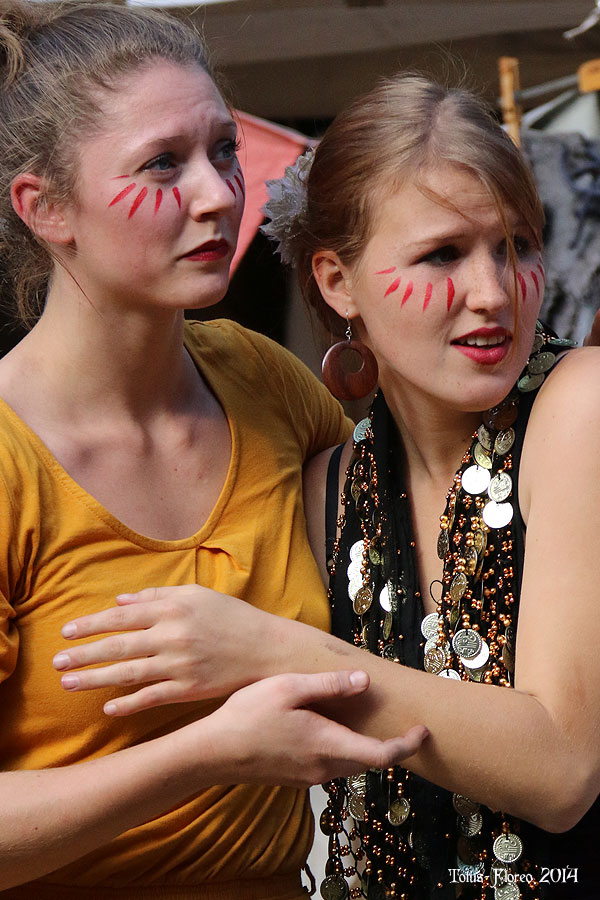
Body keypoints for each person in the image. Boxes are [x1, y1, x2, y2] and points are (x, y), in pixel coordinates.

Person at [59, 75, 600, 899]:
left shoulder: (580, 404)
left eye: (517, 246)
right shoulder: (329, 487)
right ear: (338, 282)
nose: (494, 293)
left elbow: (562, 771)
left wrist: (274, 650)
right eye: (443, 254)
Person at [0, 3, 428, 897]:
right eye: (164, 162)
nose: (222, 194)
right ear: (45, 207)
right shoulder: (10, 460)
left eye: (224, 150)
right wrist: (210, 753)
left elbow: (413, 539)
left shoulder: (262, 378)